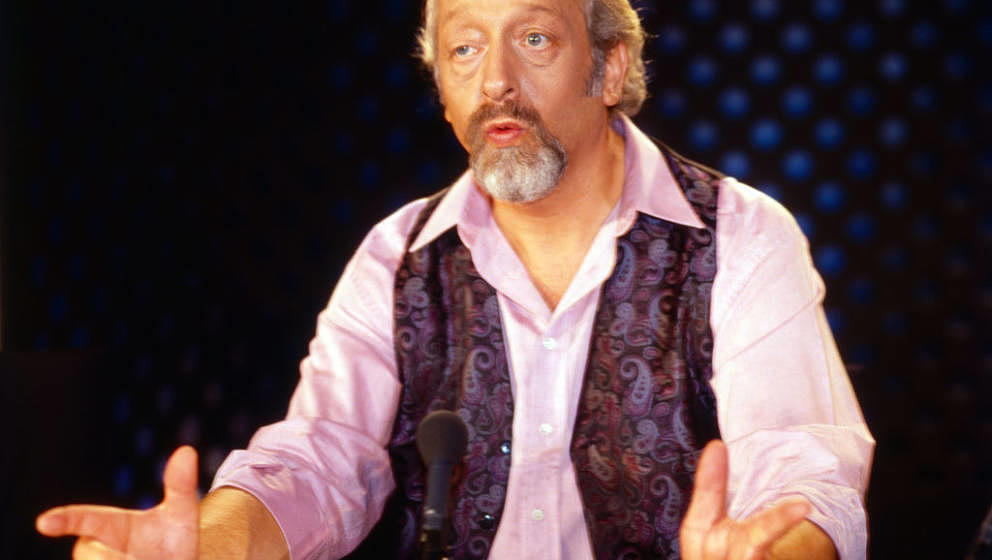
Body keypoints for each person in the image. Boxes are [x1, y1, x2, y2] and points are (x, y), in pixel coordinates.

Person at [36, 0, 874, 558]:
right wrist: (213, 546)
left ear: (610, 68)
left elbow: (801, 469)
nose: (495, 80)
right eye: (464, 49)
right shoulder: (395, 255)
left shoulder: (739, 234)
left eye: (534, 39)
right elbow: (323, 460)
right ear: (441, 90)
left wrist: (775, 551)